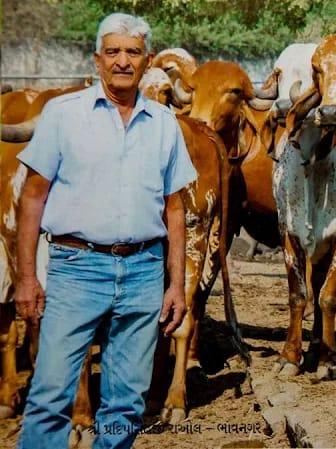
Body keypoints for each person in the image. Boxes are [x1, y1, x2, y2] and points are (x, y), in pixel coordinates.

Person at [15, 12, 196, 449]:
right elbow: (32, 198)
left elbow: (175, 210)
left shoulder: (164, 125)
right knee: (50, 397)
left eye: (132, 52)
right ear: (97, 60)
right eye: (112, 51)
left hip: (144, 271)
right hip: (77, 268)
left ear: (147, 61)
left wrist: (177, 285)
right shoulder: (63, 115)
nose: (122, 61)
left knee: (127, 403)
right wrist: (26, 277)